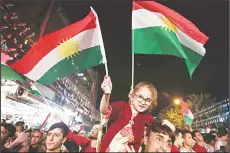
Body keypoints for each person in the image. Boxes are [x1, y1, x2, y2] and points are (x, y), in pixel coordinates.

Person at [99, 76, 157, 152]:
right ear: (133, 95)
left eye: (148, 100)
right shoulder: (122, 106)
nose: (143, 102)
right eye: (140, 97)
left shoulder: (149, 119)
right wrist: (106, 94)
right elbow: (104, 111)